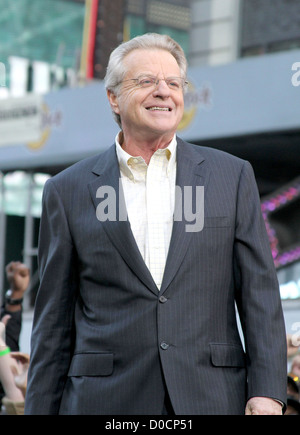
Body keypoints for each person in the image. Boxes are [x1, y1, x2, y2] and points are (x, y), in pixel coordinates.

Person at [25, 33, 287, 415]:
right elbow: (53, 322)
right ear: (113, 97)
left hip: (211, 397)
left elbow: (260, 296)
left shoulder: (231, 177)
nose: (163, 92)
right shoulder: (67, 191)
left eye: (174, 83)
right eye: (146, 81)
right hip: (104, 402)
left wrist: (267, 392)